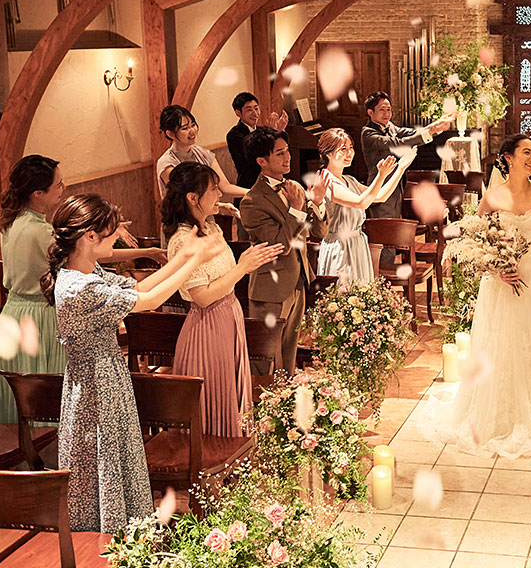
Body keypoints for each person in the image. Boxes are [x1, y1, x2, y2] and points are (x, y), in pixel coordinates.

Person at [41, 193, 224, 532]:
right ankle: (104, 537)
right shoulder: (79, 288)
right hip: (95, 386)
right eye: (111, 231)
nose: (117, 236)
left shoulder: (87, 271)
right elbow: (149, 300)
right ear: (89, 236)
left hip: (107, 376)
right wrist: (194, 262)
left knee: (119, 456)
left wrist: (183, 256)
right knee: (104, 461)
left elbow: (139, 288)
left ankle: (126, 533)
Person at [0, 155, 164, 424]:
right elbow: (88, 254)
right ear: (37, 193)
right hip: (41, 314)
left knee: (19, 389)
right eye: (58, 185)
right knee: (45, 394)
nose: (64, 188)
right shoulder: (42, 231)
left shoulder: (11, 222)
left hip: (13, 311)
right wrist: (146, 251)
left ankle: (21, 441)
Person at [429, 134, 531, 457]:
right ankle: (498, 412)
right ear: (508, 157)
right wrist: (496, 270)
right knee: (503, 337)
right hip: (502, 280)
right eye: (526, 153)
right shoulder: (493, 196)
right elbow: (474, 239)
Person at [161, 163, 284, 436]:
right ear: (192, 198)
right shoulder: (183, 241)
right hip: (207, 327)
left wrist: (217, 212)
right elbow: (202, 297)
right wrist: (243, 268)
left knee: (232, 390)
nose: (220, 194)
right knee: (214, 400)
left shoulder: (210, 227)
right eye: (214, 189)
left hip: (228, 316)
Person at [240, 127, 328, 374]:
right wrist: (297, 209)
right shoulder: (252, 201)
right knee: (267, 358)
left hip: (298, 280)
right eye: (279, 153)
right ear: (261, 161)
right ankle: (262, 398)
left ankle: (287, 396)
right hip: (271, 287)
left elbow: (319, 231)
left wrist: (318, 202)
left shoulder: (293, 187)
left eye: (287, 151)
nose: (288, 157)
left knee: (289, 352)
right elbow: (278, 246)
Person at [361, 92, 454, 267]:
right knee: (386, 237)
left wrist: (435, 127)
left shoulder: (390, 127)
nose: (387, 113)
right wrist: (431, 131)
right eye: (382, 110)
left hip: (396, 187)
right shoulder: (368, 133)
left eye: (389, 109)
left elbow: (411, 133)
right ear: (370, 112)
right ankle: (383, 277)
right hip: (380, 189)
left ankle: (386, 277)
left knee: (394, 234)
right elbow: (396, 144)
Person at [316, 127, 416, 285]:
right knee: (344, 294)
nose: (349, 153)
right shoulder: (327, 181)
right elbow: (361, 202)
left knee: (360, 294)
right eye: (343, 149)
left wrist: (400, 168)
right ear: (328, 153)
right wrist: (380, 175)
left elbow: (380, 196)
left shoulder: (348, 179)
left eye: (351, 148)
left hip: (356, 243)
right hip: (340, 247)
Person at [155, 104, 244, 208]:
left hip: (206, 214)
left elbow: (225, 186)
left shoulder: (202, 153)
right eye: (185, 128)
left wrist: (253, 193)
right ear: (170, 134)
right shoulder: (167, 163)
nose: (192, 131)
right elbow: (191, 198)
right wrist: (220, 205)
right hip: (183, 217)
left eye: (193, 125)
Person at [225, 92, 289, 194]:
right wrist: (271, 135)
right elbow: (251, 162)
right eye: (249, 110)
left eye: (256, 108)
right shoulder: (234, 135)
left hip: (271, 182)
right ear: (238, 113)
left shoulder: (260, 130)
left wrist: (277, 133)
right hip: (250, 185)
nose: (255, 114)